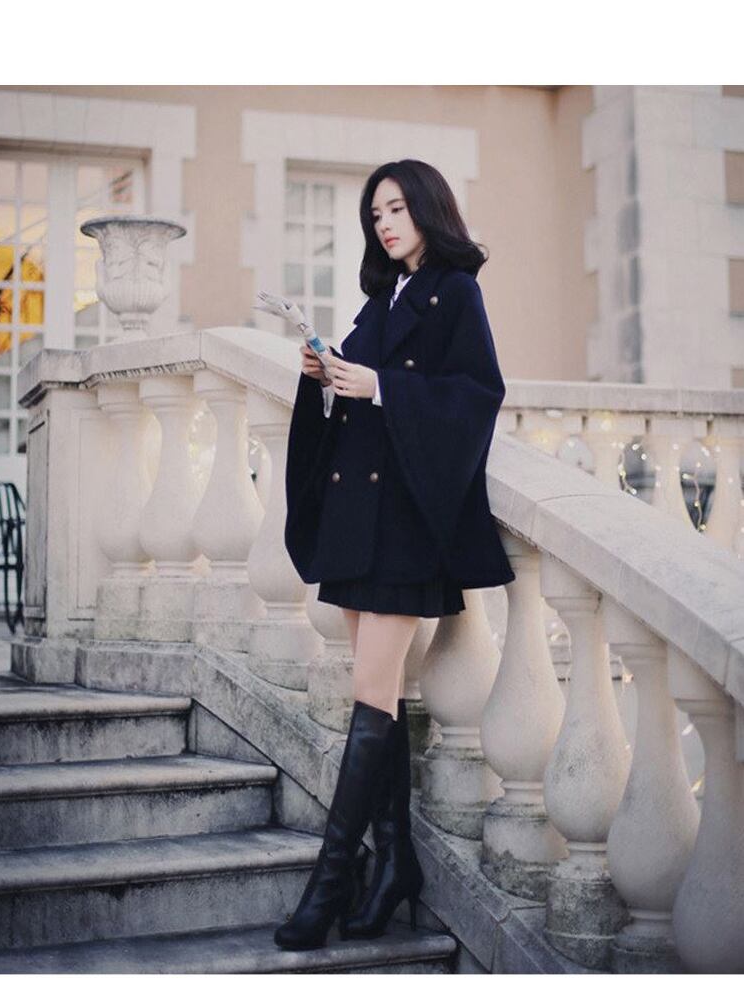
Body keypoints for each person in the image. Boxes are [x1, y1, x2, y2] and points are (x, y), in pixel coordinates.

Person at [275, 159, 515, 951]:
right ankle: (396, 864)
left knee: (372, 696)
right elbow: (355, 392)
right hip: (361, 522)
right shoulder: (383, 300)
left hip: (406, 525)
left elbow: (477, 395)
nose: (384, 222)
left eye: (397, 208)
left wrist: (378, 386)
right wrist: (322, 376)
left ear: (428, 210)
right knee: (377, 696)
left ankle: (329, 884)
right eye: (375, 212)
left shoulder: (456, 292)